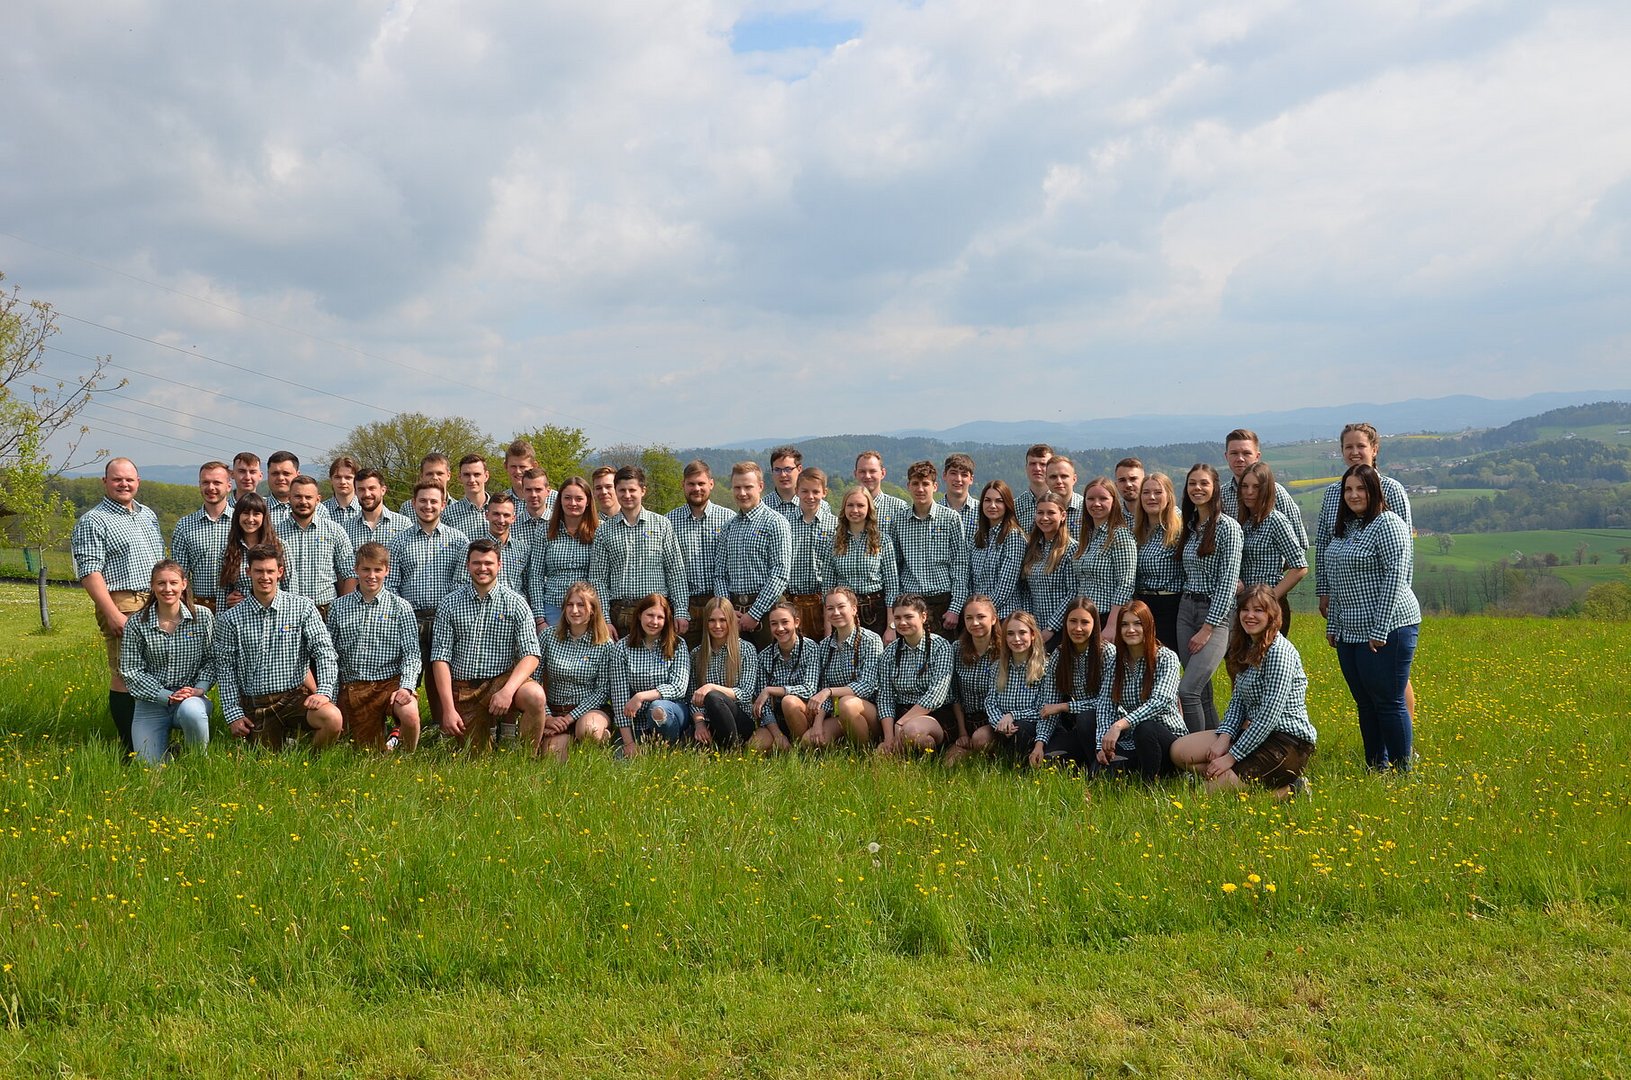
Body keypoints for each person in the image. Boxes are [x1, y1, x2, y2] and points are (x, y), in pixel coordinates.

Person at [1172, 586, 1316, 795]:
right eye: (1245, 609)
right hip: (1251, 733)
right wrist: (1224, 738)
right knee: (1179, 752)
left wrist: (1231, 756)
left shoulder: (1279, 652)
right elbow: (1238, 700)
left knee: (1204, 796)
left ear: (1272, 615)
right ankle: (1234, 778)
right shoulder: (1247, 645)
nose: (1250, 615)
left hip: (1285, 743)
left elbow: (1269, 715)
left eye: (1258, 610)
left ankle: (1290, 790)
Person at [1323, 464, 1420, 771]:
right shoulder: (1347, 527)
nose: (1354, 495)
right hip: (1349, 630)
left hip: (1389, 627)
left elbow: (1395, 578)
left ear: (1375, 491)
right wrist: (1333, 624)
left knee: (1388, 702)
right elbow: (1336, 580)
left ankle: (1403, 772)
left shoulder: (1388, 524)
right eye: (1348, 489)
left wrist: (1380, 629)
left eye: (1361, 488)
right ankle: (1376, 768)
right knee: (1365, 703)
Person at [1314, 422, 1415, 716]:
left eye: (1361, 446)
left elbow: (1402, 552)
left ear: (1375, 449)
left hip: (1384, 600)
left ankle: (1404, 733)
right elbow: (1324, 543)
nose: (1354, 452)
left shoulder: (1391, 489)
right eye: (1349, 447)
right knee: (1368, 689)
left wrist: (1392, 601)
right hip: (1347, 598)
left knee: (1393, 682)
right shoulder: (1333, 493)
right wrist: (1324, 590)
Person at [73, 457, 166, 756]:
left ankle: (154, 741)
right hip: (121, 601)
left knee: (152, 671)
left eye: (129, 479)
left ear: (138, 482)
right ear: (105, 482)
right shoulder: (93, 520)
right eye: (117, 479)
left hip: (152, 600)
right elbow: (89, 571)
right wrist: (112, 613)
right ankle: (131, 748)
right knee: (125, 675)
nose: (123, 484)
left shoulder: (147, 514)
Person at [213, 542, 344, 751]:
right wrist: (233, 714)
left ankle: (311, 760)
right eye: (259, 571)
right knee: (266, 762)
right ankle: (286, 743)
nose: (264, 577)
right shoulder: (230, 619)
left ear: (280, 572)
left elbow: (325, 651)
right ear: (248, 572)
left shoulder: (302, 607)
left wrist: (325, 691)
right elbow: (225, 668)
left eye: (270, 571)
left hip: (294, 698)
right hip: (256, 704)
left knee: (332, 718)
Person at [429, 538, 548, 755]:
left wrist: (507, 691)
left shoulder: (516, 603)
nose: (482, 568)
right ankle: (489, 736)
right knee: (474, 758)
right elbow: (440, 659)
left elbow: (531, 654)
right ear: (467, 565)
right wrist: (448, 709)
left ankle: (526, 757)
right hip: (465, 687)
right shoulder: (449, 604)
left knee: (535, 696)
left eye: (488, 563)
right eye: (476, 563)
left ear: (499, 565)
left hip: (501, 681)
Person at [388, 479, 470, 735]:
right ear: (414, 503)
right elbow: (392, 584)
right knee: (407, 674)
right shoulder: (399, 541)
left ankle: (442, 727)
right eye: (422, 500)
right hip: (410, 618)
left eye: (434, 501)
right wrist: (401, 615)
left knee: (443, 677)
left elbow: (461, 582)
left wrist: (450, 613)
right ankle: (402, 729)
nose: (428, 506)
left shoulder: (458, 540)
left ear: (443, 505)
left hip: (445, 617)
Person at [326, 542, 422, 752]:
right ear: (356, 569)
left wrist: (406, 686)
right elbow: (330, 656)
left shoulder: (401, 607)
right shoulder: (339, 607)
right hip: (354, 686)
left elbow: (412, 654)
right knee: (367, 751)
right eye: (366, 569)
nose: (371, 576)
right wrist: (330, 696)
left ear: (387, 570)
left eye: (378, 570)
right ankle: (389, 737)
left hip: (390, 683)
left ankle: (407, 756)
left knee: (410, 713)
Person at [118, 560, 215, 764]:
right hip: (151, 702)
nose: (167, 589)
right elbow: (131, 670)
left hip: (190, 698)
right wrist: (166, 696)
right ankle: (172, 753)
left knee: (192, 712)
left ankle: (197, 759)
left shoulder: (202, 616)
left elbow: (212, 659)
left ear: (184, 584)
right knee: (148, 767)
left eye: (173, 582)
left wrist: (199, 688)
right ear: (152, 586)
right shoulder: (137, 623)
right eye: (161, 583)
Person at [1175, 464, 1243, 733]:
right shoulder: (1190, 527)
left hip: (1216, 616)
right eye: (1192, 483)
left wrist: (1208, 627)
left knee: (1187, 690)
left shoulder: (1228, 528)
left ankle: (1192, 753)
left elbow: (1228, 582)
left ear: (1215, 488)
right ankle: (1212, 748)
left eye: (1204, 483)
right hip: (1186, 610)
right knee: (1201, 693)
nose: (1197, 488)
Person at [590, 465, 688, 638]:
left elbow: (675, 571)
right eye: (622, 490)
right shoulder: (604, 531)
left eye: (632, 490)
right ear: (616, 491)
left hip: (657, 612)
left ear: (643, 490)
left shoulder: (662, 525)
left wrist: (680, 611)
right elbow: (598, 579)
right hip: (620, 613)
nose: (627, 495)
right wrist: (604, 619)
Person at [1094, 601, 1186, 781]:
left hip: (1168, 739)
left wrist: (1120, 725)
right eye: (1124, 625)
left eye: (1137, 624)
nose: (1131, 630)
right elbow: (1105, 704)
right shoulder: (1115, 661)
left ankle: (1151, 784)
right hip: (1133, 739)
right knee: (1099, 774)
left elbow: (1161, 700)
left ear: (1148, 626)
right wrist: (1102, 745)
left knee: (1145, 728)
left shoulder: (1166, 657)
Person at [714, 461, 792, 650]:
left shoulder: (775, 522)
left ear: (760, 486)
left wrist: (754, 614)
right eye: (737, 487)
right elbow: (719, 574)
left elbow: (780, 573)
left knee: (771, 662)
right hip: (734, 612)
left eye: (748, 487)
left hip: (768, 611)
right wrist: (727, 611)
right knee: (737, 664)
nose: (742, 493)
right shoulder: (728, 527)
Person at [536, 581, 616, 760]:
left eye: (581, 605)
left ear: (593, 610)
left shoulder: (604, 644)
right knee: (553, 760)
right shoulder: (548, 636)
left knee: (589, 731)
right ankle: (569, 742)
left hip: (590, 710)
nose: (574, 610)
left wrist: (571, 717)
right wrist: (547, 717)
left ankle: (600, 741)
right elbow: (534, 679)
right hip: (556, 712)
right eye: (570, 605)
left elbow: (603, 691)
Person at [608, 593, 692, 758]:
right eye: (650, 615)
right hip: (637, 720)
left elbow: (679, 688)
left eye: (660, 617)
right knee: (621, 761)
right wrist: (629, 743)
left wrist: (641, 696)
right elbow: (619, 698)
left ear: (666, 620)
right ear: (640, 615)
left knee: (657, 708)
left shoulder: (678, 645)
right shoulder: (622, 648)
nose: (654, 622)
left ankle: (668, 751)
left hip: (672, 711)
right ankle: (640, 742)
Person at [890, 460, 969, 633]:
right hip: (910, 600)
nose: (920, 489)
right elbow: (894, 566)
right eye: (915, 484)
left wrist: (955, 608)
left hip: (942, 601)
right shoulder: (898, 521)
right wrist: (897, 604)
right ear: (908, 486)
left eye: (925, 484)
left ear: (935, 486)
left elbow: (960, 565)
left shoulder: (950, 518)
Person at [1036, 597, 1113, 767]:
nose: (1078, 628)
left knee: (1085, 718)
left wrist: (1065, 707)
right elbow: (1049, 704)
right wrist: (1039, 743)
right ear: (1065, 623)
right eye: (1073, 621)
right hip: (1081, 729)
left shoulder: (1107, 653)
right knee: (1048, 760)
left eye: (1085, 622)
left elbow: (1106, 703)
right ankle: (1085, 761)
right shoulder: (1059, 655)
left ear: (1095, 625)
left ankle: (1096, 764)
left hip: (1109, 726)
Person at [876, 594, 956, 755]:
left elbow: (936, 695)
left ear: (923, 617)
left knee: (912, 732)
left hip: (934, 714)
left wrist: (901, 723)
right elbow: (885, 696)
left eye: (908, 617)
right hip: (901, 712)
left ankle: (930, 758)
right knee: (882, 753)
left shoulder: (941, 647)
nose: (902, 622)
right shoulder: (889, 652)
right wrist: (889, 737)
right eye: (897, 618)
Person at [1235, 461, 1308, 632]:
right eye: (1245, 486)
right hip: (1246, 605)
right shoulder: (1246, 522)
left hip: (1269, 607)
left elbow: (1300, 567)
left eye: (1256, 487)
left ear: (1266, 489)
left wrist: (1269, 598)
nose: (1249, 492)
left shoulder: (1276, 520)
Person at [668, 460, 734, 647]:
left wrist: (726, 606)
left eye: (701, 483)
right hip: (685, 607)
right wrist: (680, 609)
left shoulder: (729, 518)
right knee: (688, 657)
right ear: (683, 485)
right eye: (691, 484)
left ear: (711, 484)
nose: (696, 488)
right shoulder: (669, 521)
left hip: (721, 604)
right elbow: (671, 570)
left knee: (722, 656)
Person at [274, 474, 357, 617]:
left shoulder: (334, 531)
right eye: (298, 497)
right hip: (287, 613)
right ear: (289, 498)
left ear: (318, 499)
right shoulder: (275, 534)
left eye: (308, 497)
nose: (303, 502)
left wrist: (344, 609)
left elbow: (349, 573)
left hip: (326, 612)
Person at [745, 601, 824, 751]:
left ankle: (803, 750)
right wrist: (778, 735)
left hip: (805, 713)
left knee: (789, 702)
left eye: (785, 622)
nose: (780, 628)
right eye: (774, 624)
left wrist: (771, 690)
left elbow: (809, 690)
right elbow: (763, 705)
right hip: (776, 720)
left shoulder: (811, 648)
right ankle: (784, 744)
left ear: (796, 622)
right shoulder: (764, 656)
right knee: (753, 747)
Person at [822, 486, 899, 638]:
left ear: (869, 509)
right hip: (843, 609)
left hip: (875, 610)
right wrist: (828, 627)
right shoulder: (834, 542)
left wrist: (891, 626)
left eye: (860, 505)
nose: (855, 510)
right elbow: (827, 587)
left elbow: (892, 587)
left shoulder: (882, 541)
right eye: (850, 505)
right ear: (844, 508)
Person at [688, 597, 761, 750]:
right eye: (712, 620)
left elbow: (746, 693)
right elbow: (692, 697)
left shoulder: (746, 650)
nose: (717, 626)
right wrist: (699, 724)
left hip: (740, 720)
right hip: (707, 719)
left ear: (731, 621)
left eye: (723, 620)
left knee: (713, 697)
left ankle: (732, 751)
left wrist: (711, 687)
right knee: (686, 740)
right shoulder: (696, 654)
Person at [982, 610, 1052, 765]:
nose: (1017, 639)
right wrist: (1000, 722)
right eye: (1010, 634)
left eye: (1022, 633)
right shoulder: (997, 667)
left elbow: (1043, 709)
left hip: (1032, 727)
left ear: (1032, 635)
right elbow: (990, 701)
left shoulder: (1045, 668)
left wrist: (1013, 715)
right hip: (1002, 726)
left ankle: (1017, 768)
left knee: (1021, 728)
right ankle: (994, 766)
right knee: (980, 737)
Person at [1218, 429, 1308, 547]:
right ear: (1226, 456)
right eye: (1234, 453)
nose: (1240, 458)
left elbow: (1300, 542)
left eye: (1246, 453)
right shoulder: (1221, 495)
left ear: (1257, 457)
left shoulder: (1276, 492)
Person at [531, 475, 598, 632]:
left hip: (586, 608)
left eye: (578, 499)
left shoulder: (599, 531)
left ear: (588, 501)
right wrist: (540, 618)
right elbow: (535, 575)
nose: (572, 503)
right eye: (567, 498)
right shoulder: (545, 531)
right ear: (560, 500)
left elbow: (601, 578)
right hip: (553, 607)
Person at [1073, 475, 1136, 639]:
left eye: (1103, 498)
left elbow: (1126, 584)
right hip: (1084, 617)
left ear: (1114, 501)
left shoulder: (1119, 535)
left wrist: (1112, 625)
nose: (1096, 503)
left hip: (1107, 616)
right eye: (1091, 499)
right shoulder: (1087, 536)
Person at [943, 595, 999, 766]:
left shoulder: (1004, 650)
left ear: (993, 619)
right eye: (969, 618)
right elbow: (955, 694)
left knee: (981, 740)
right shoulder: (956, 649)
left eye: (981, 617)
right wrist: (962, 732)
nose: (975, 623)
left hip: (994, 721)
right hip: (966, 720)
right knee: (949, 764)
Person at [170, 460, 234, 612]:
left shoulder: (242, 522)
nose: (211, 487)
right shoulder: (184, 526)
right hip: (200, 608)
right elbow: (179, 574)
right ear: (199, 485)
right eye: (205, 482)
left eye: (217, 482)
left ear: (228, 486)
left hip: (236, 607)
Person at [1132, 473, 1185, 652]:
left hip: (1170, 605)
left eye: (1158, 492)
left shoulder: (1180, 528)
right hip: (1143, 605)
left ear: (1169, 495)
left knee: (1166, 657)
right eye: (1146, 492)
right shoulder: (1138, 530)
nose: (1151, 497)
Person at [1019, 492, 1077, 647]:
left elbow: (1073, 593)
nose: (1044, 518)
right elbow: (1027, 590)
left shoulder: (1071, 549)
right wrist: (1030, 623)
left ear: (1063, 516)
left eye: (1051, 513)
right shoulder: (1033, 548)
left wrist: (1051, 628)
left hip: (1061, 629)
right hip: (1035, 628)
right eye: (1040, 513)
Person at [785, 467, 838, 636]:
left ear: (825, 492)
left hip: (822, 601)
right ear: (796, 491)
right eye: (805, 491)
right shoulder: (784, 523)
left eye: (816, 491)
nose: (810, 496)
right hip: (791, 601)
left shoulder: (835, 524)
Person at [970, 479, 1026, 619]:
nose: (992, 505)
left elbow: (1005, 587)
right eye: (987, 500)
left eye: (999, 501)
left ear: (1007, 504)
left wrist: (982, 612)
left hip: (1004, 616)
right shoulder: (978, 537)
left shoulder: (1014, 536)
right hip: (978, 616)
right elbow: (971, 579)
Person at [218, 493, 284, 609]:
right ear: (238, 516)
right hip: (241, 615)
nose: (250, 519)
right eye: (245, 513)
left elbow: (290, 587)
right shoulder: (228, 551)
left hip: (276, 612)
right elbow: (222, 595)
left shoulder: (279, 547)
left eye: (256, 514)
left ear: (264, 517)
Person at [480, 491, 535, 619]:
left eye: (506, 515)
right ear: (487, 515)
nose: (501, 520)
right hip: (484, 612)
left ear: (513, 518)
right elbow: (461, 584)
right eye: (496, 514)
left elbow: (530, 586)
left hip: (515, 614)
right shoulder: (474, 550)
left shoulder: (523, 550)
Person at [343, 468, 412, 552]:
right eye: (361, 489)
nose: (367, 494)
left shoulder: (403, 524)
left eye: (372, 488)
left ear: (383, 490)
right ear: (356, 492)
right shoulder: (346, 528)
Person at [443, 453, 494, 540]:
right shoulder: (448, 515)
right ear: (460, 477)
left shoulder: (501, 510)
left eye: (476, 474)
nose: (472, 480)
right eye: (467, 475)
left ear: (486, 476)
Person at [853, 450, 908, 527]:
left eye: (872, 471)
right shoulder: (849, 509)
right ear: (855, 474)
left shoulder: (899, 508)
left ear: (883, 473)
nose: (867, 476)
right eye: (862, 471)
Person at [1013, 443, 1054, 532]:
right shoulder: (1015, 507)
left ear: (1052, 468)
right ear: (1026, 467)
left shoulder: (1064, 503)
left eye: (1043, 464)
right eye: (1032, 464)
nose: (1037, 468)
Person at [398, 453, 452, 517]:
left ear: (448, 475)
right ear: (421, 476)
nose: (435, 477)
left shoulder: (459, 508)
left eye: (439, 473)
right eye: (429, 474)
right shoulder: (407, 508)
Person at [1043, 455, 1086, 536]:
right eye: (1053, 477)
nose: (1059, 481)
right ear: (1046, 481)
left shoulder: (1086, 509)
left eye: (1064, 476)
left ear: (1074, 479)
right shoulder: (1040, 510)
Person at [940, 453, 979, 538]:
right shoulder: (934, 512)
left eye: (964, 475)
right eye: (953, 473)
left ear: (971, 479)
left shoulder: (982, 511)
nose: (958, 479)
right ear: (944, 475)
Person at [322, 455, 363, 535]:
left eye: (348, 477)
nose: (342, 482)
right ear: (331, 479)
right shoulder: (321, 511)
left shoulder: (365, 509)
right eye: (337, 477)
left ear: (356, 480)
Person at [514, 466, 555, 545]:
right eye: (528, 490)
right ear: (523, 491)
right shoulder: (512, 526)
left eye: (538, 489)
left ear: (548, 491)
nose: (533, 495)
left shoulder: (558, 524)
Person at [766, 445, 804, 520]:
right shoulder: (763, 506)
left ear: (799, 469)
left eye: (788, 469)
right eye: (777, 470)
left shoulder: (816, 505)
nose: (783, 475)